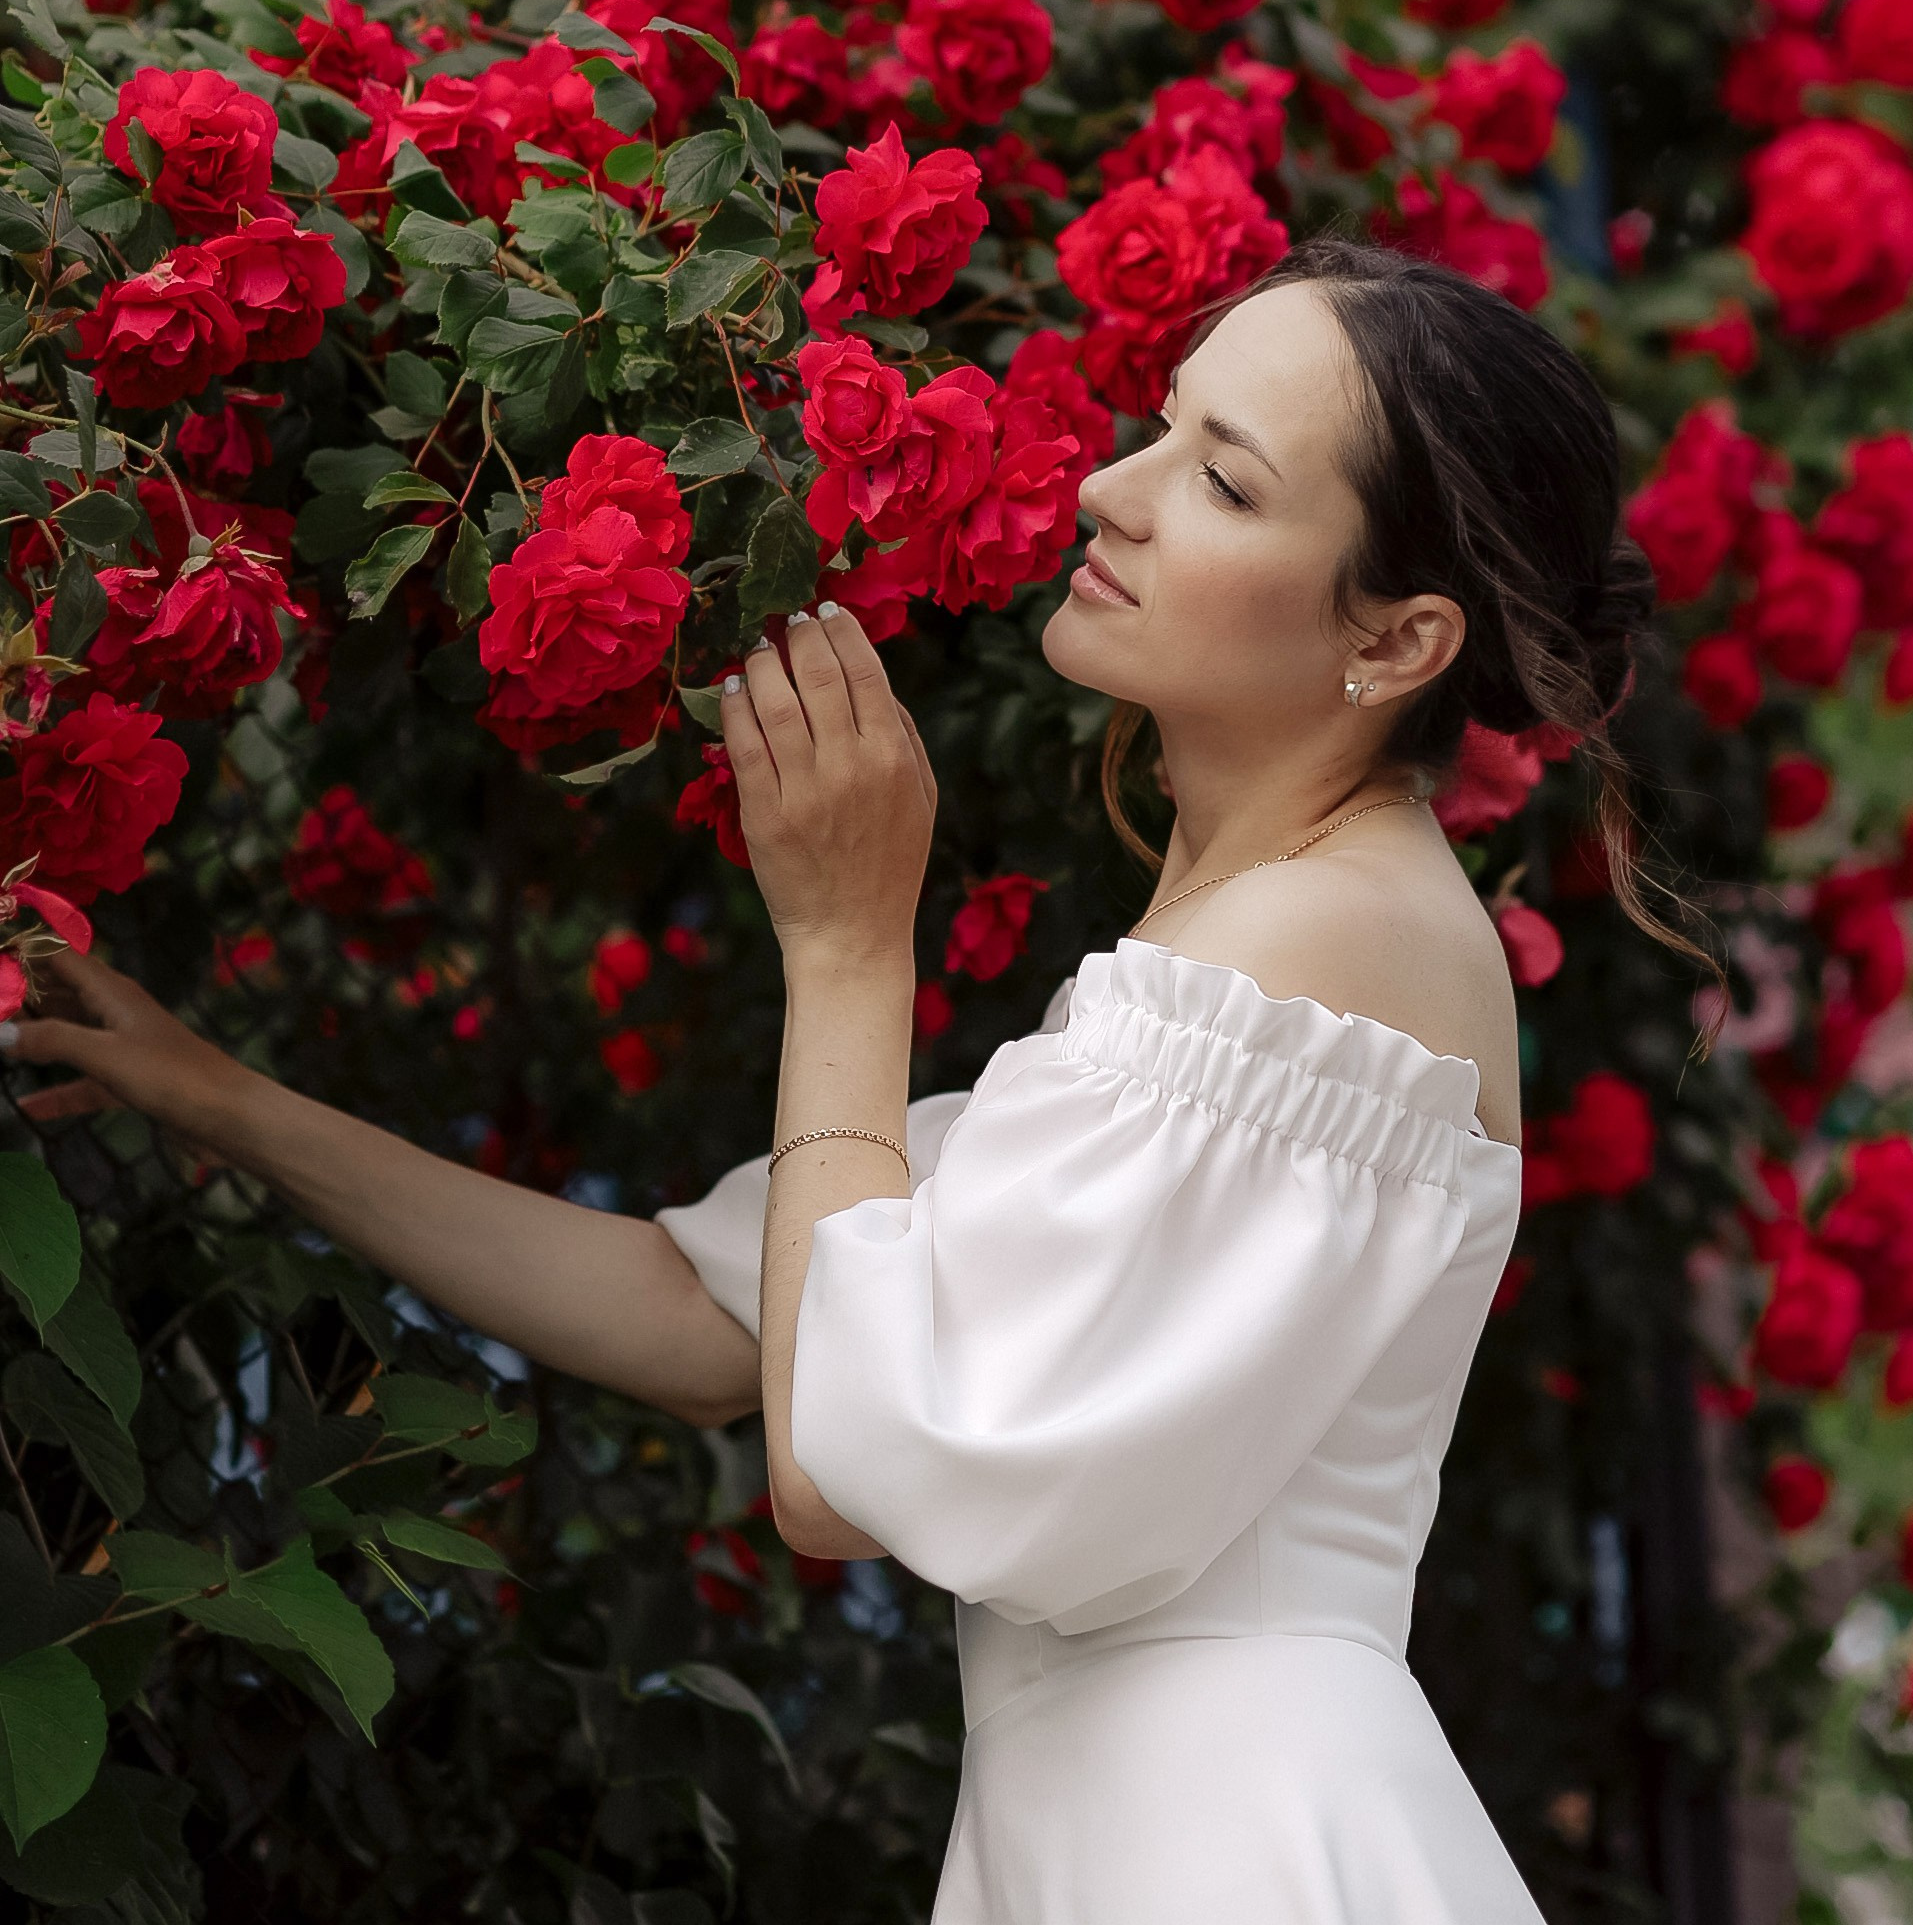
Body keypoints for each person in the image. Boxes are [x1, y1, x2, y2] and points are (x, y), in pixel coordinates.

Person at [1, 236, 1663, 1920]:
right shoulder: (1251, 961)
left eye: (1222, 484)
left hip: (1220, 1838)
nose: (1109, 486)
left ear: (1394, 643)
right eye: (1159, 428)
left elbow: (839, 1466)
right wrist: (206, 1091)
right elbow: (705, 1310)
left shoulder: (1322, 944)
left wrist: (853, 946)